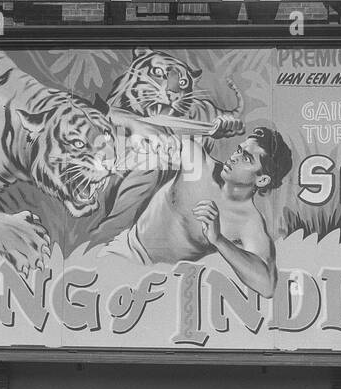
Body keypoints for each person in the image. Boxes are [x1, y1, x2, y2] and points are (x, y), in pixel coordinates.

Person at [102, 126, 293, 299]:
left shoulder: (249, 223)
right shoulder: (198, 162)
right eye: (239, 150)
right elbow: (152, 128)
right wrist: (209, 130)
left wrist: (218, 240)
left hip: (161, 285)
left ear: (262, 180)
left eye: (246, 159)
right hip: (124, 252)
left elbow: (267, 286)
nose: (234, 158)